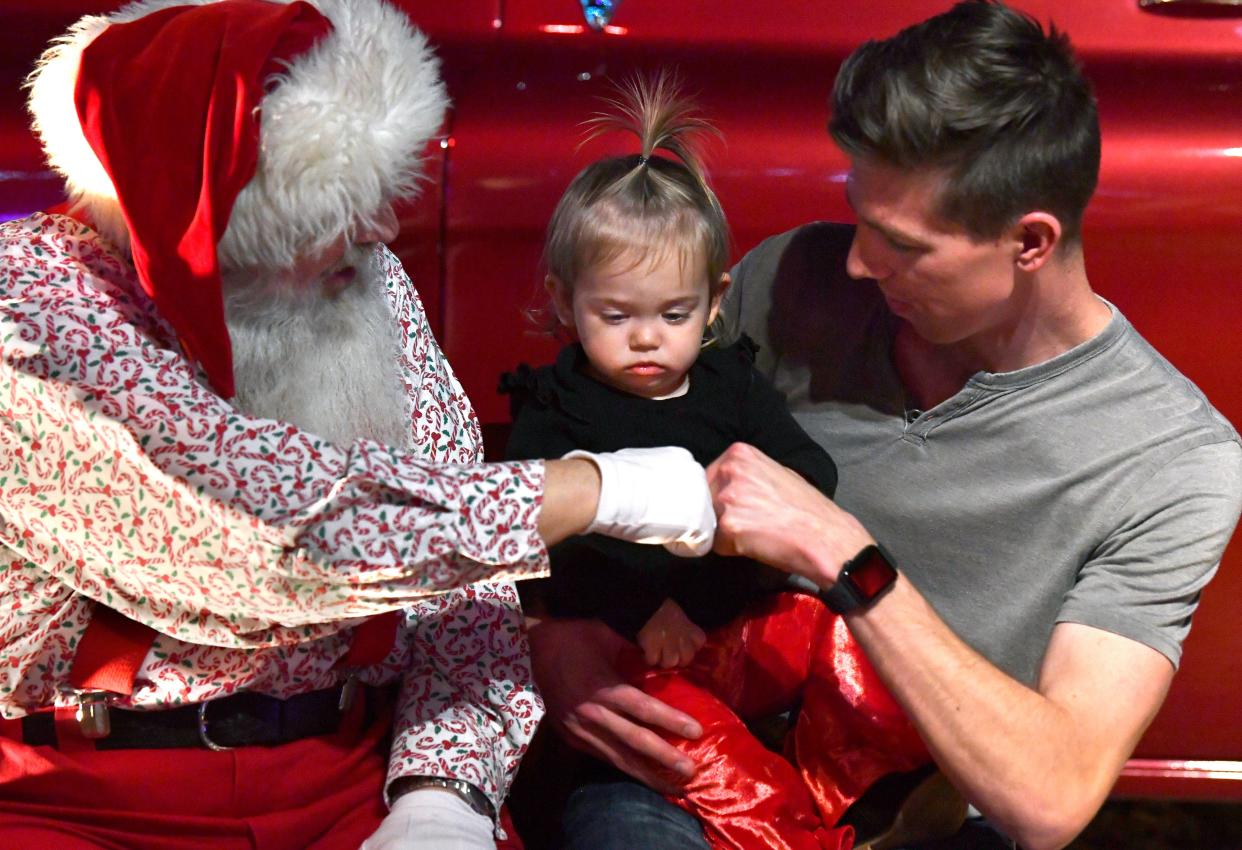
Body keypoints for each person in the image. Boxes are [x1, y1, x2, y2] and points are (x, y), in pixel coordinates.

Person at [0, 2, 717, 849]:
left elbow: (467, 584)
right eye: (340, 204)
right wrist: (588, 487)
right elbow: (255, 531)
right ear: (210, 203)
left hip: (348, 777)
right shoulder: (33, 312)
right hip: (83, 799)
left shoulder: (358, 280)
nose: (381, 230)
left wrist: (444, 789)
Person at [529, 3, 1242, 850]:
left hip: (915, 809)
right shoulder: (795, 282)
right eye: (858, 214)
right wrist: (552, 637)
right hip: (701, 758)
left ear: (1030, 243)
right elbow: (586, 438)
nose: (860, 261)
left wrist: (845, 555)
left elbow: (1050, 798)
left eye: (900, 242)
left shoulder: (1173, 462)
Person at [500, 74, 934, 850]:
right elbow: (541, 553)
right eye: (615, 315)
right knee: (702, 758)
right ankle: (794, 830)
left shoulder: (731, 383)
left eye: (673, 314)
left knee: (845, 631)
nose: (645, 338)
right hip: (626, 656)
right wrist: (642, 613)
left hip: (726, 616)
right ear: (564, 302)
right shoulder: (554, 406)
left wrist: (700, 600)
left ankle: (881, 781)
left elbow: (808, 480)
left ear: (714, 300)